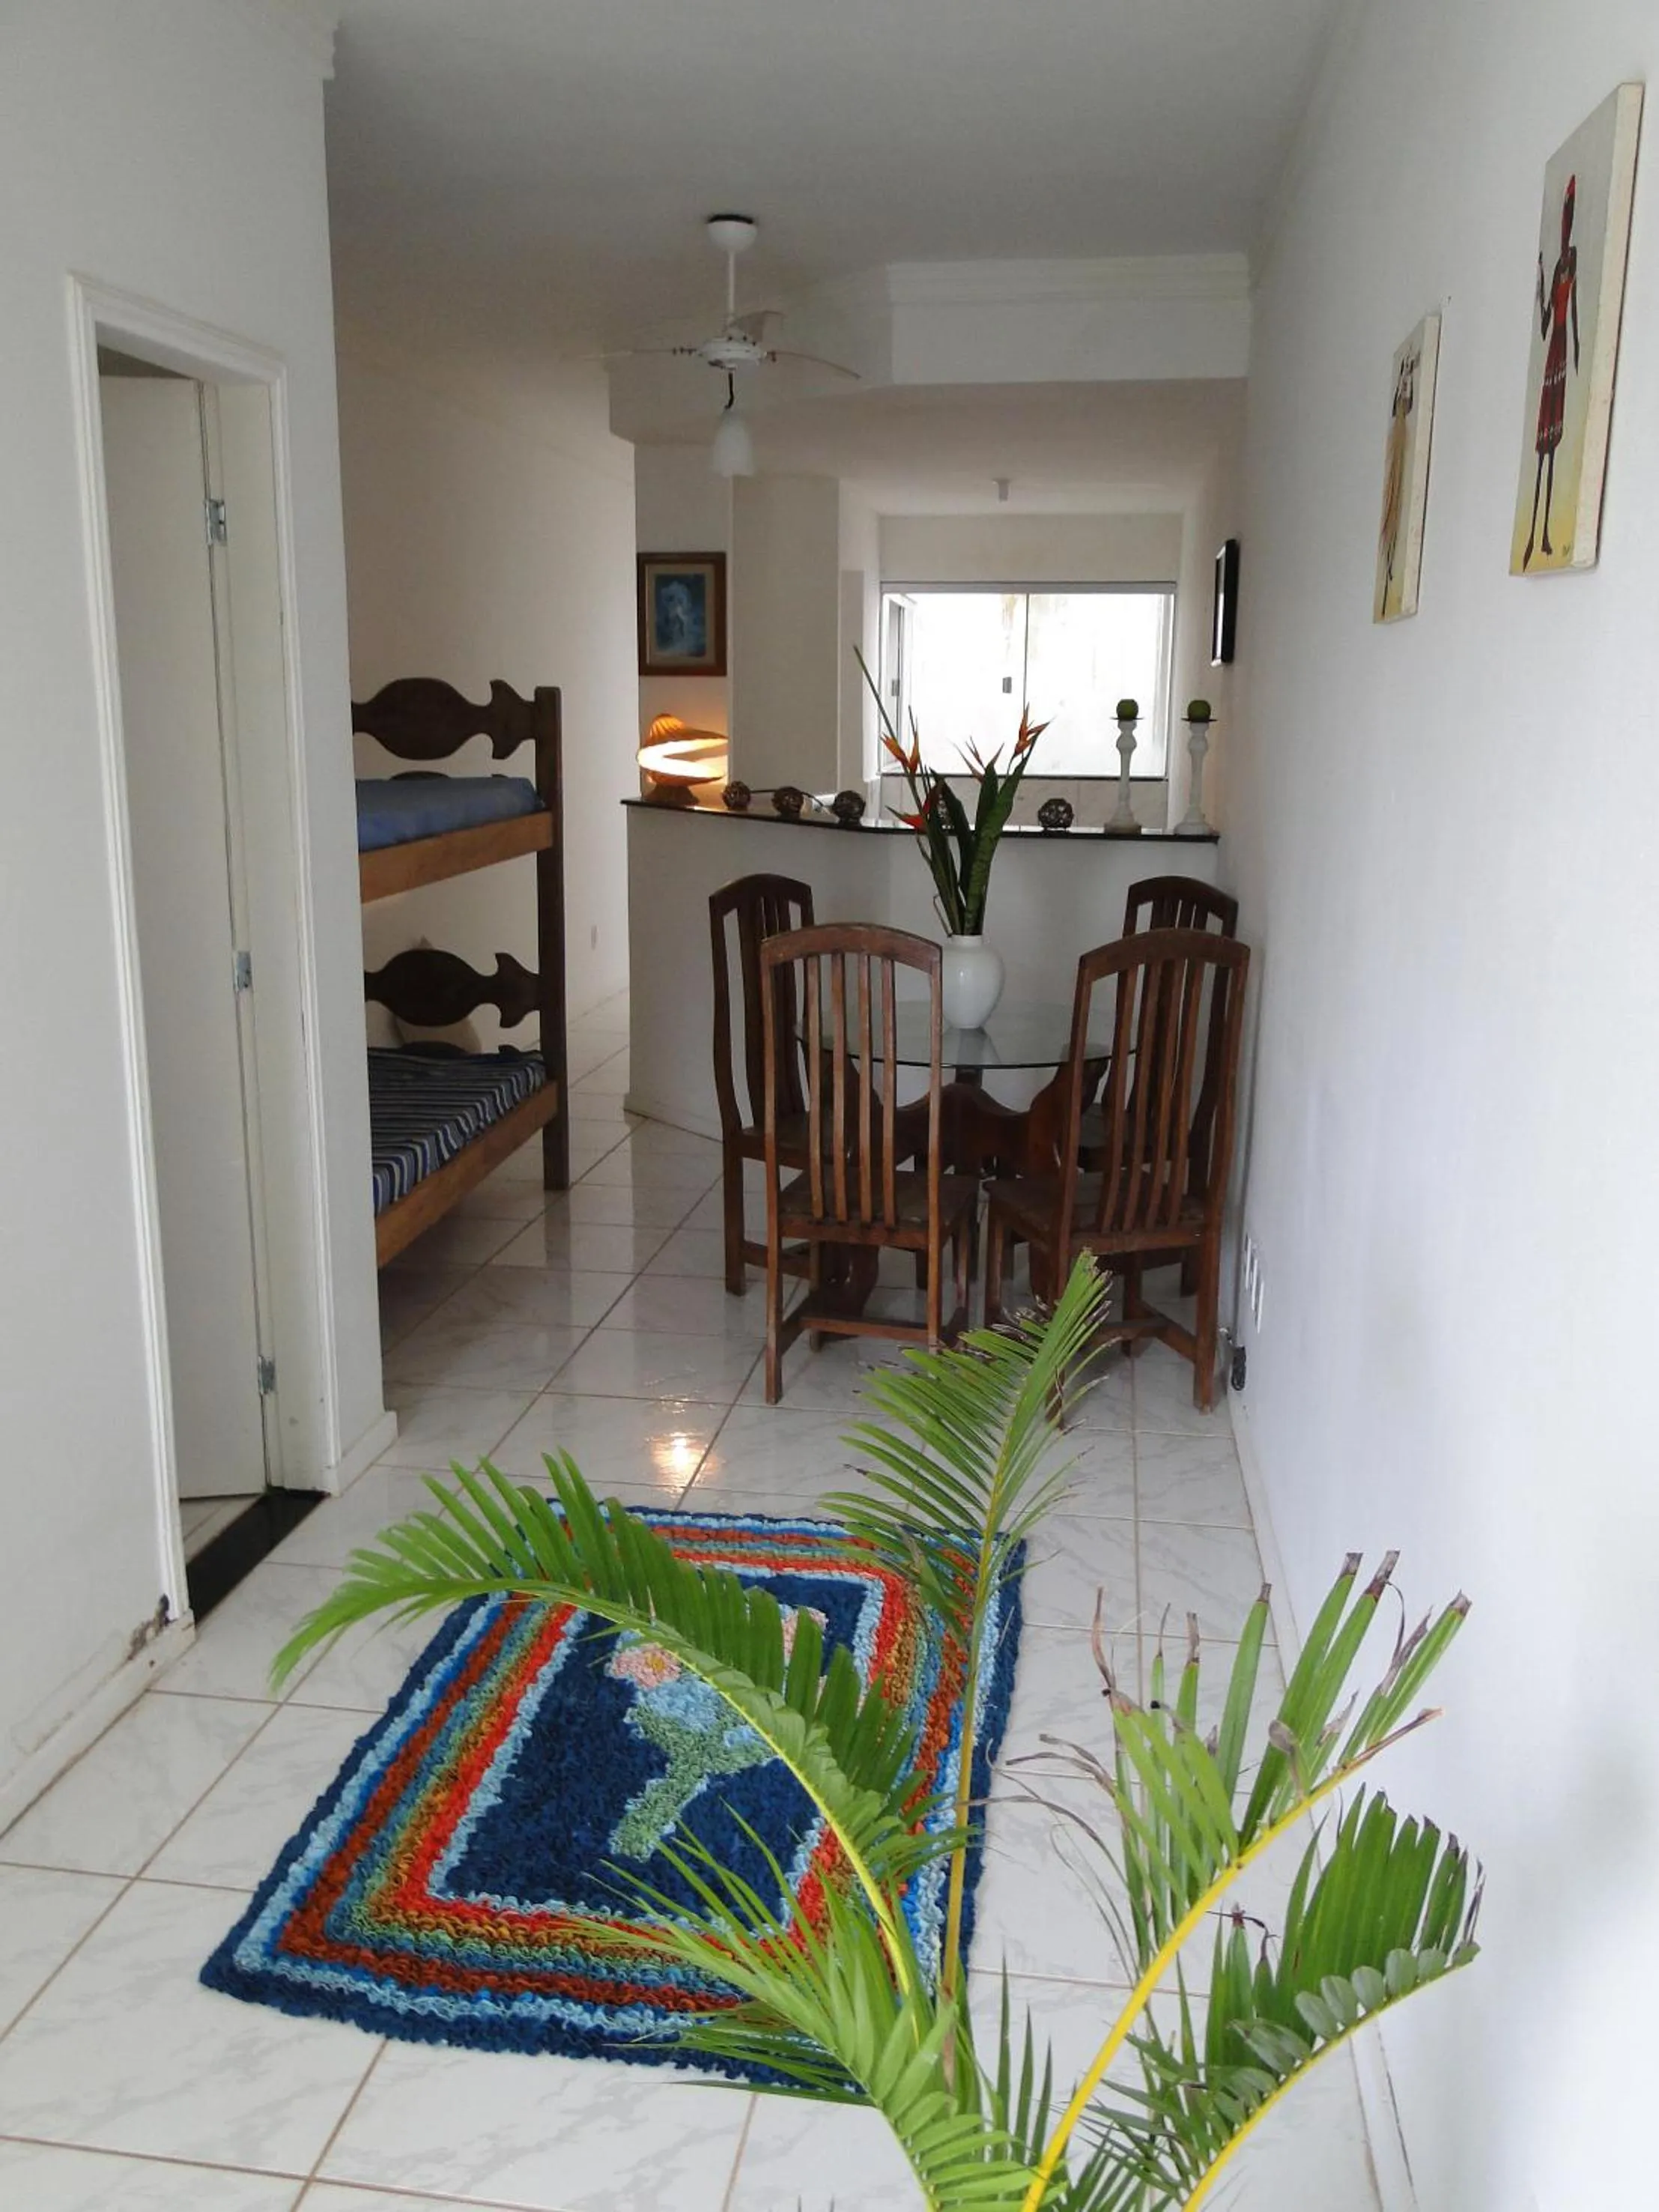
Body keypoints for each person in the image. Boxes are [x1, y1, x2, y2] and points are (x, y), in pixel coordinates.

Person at [1522, 173, 1581, 569]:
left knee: (1553, 447)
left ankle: (1542, 535)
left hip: (1560, 352)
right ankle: (1534, 533)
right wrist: (1541, 280)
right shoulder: (1561, 262)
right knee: (1543, 449)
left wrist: (1577, 347)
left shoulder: (1574, 260)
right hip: (1552, 354)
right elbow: (1544, 325)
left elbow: (1571, 313)